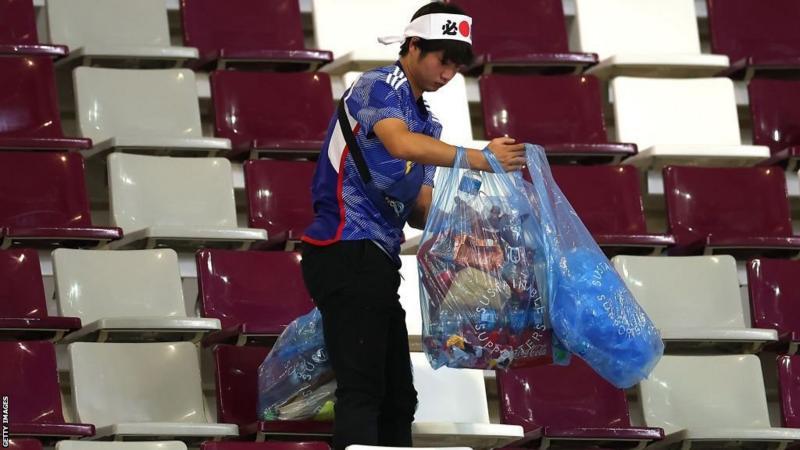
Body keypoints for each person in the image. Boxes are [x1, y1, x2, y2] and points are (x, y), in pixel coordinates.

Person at [300, 3, 526, 449]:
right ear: (414, 46)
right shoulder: (377, 85)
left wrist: (473, 230)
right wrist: (480, 159)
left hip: (378, 260)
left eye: (457, 67)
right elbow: (399, 143)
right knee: (363, 391)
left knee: (399, 400)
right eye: (443, 61)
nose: (448, 75)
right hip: (345, 245)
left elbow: (421, 207)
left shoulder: (429, 123)